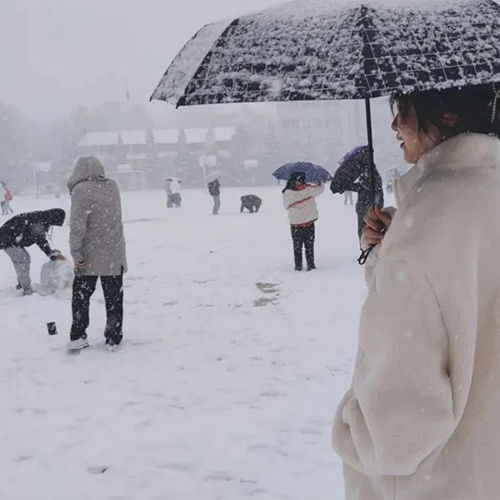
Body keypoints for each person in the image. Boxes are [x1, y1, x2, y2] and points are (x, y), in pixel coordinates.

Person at [332, 84, 500, 500]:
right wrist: (388, 252)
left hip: (442, 483)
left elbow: (399, 431)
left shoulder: (431, 217)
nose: (394, 123)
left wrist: (351, 430)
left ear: (447, 114)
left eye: (404, 108)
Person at [67, 156, 127, 351]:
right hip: (114, 253)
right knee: (114, 298)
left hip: (89, 255)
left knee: (81, 298)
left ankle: (78, 335)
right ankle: (113, 336)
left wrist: (76, 254)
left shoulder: (80, 190)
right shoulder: (113, 186)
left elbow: (77, 226)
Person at [0, 209, 66, 295]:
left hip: (10, 239)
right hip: (7, 239)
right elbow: (40, 240)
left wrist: (50, 253)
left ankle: (22, 283)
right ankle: (26, 288)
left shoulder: (42, 218)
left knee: (23, 258)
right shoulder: (39, 220)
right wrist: (50, 254)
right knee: (23, 259)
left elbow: (39, 238)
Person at [330, 146, 384, 241]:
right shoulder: (368, 170)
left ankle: (366, 252)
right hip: (370, 208)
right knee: (367, 234)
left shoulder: (369, 171)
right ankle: (365, 251)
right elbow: (365, 186)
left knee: (367, 234)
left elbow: (365, 187)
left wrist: (346, 186)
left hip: (369, 209)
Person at [282, 172, 324, 271]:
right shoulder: (308, 190)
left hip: (295, 224)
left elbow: (285, 206)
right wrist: (319, 182)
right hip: (309, 222)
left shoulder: (287, 193)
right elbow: (320, 189)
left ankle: (298, 265)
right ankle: (310, 264)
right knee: (309, 245)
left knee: (297, 246)